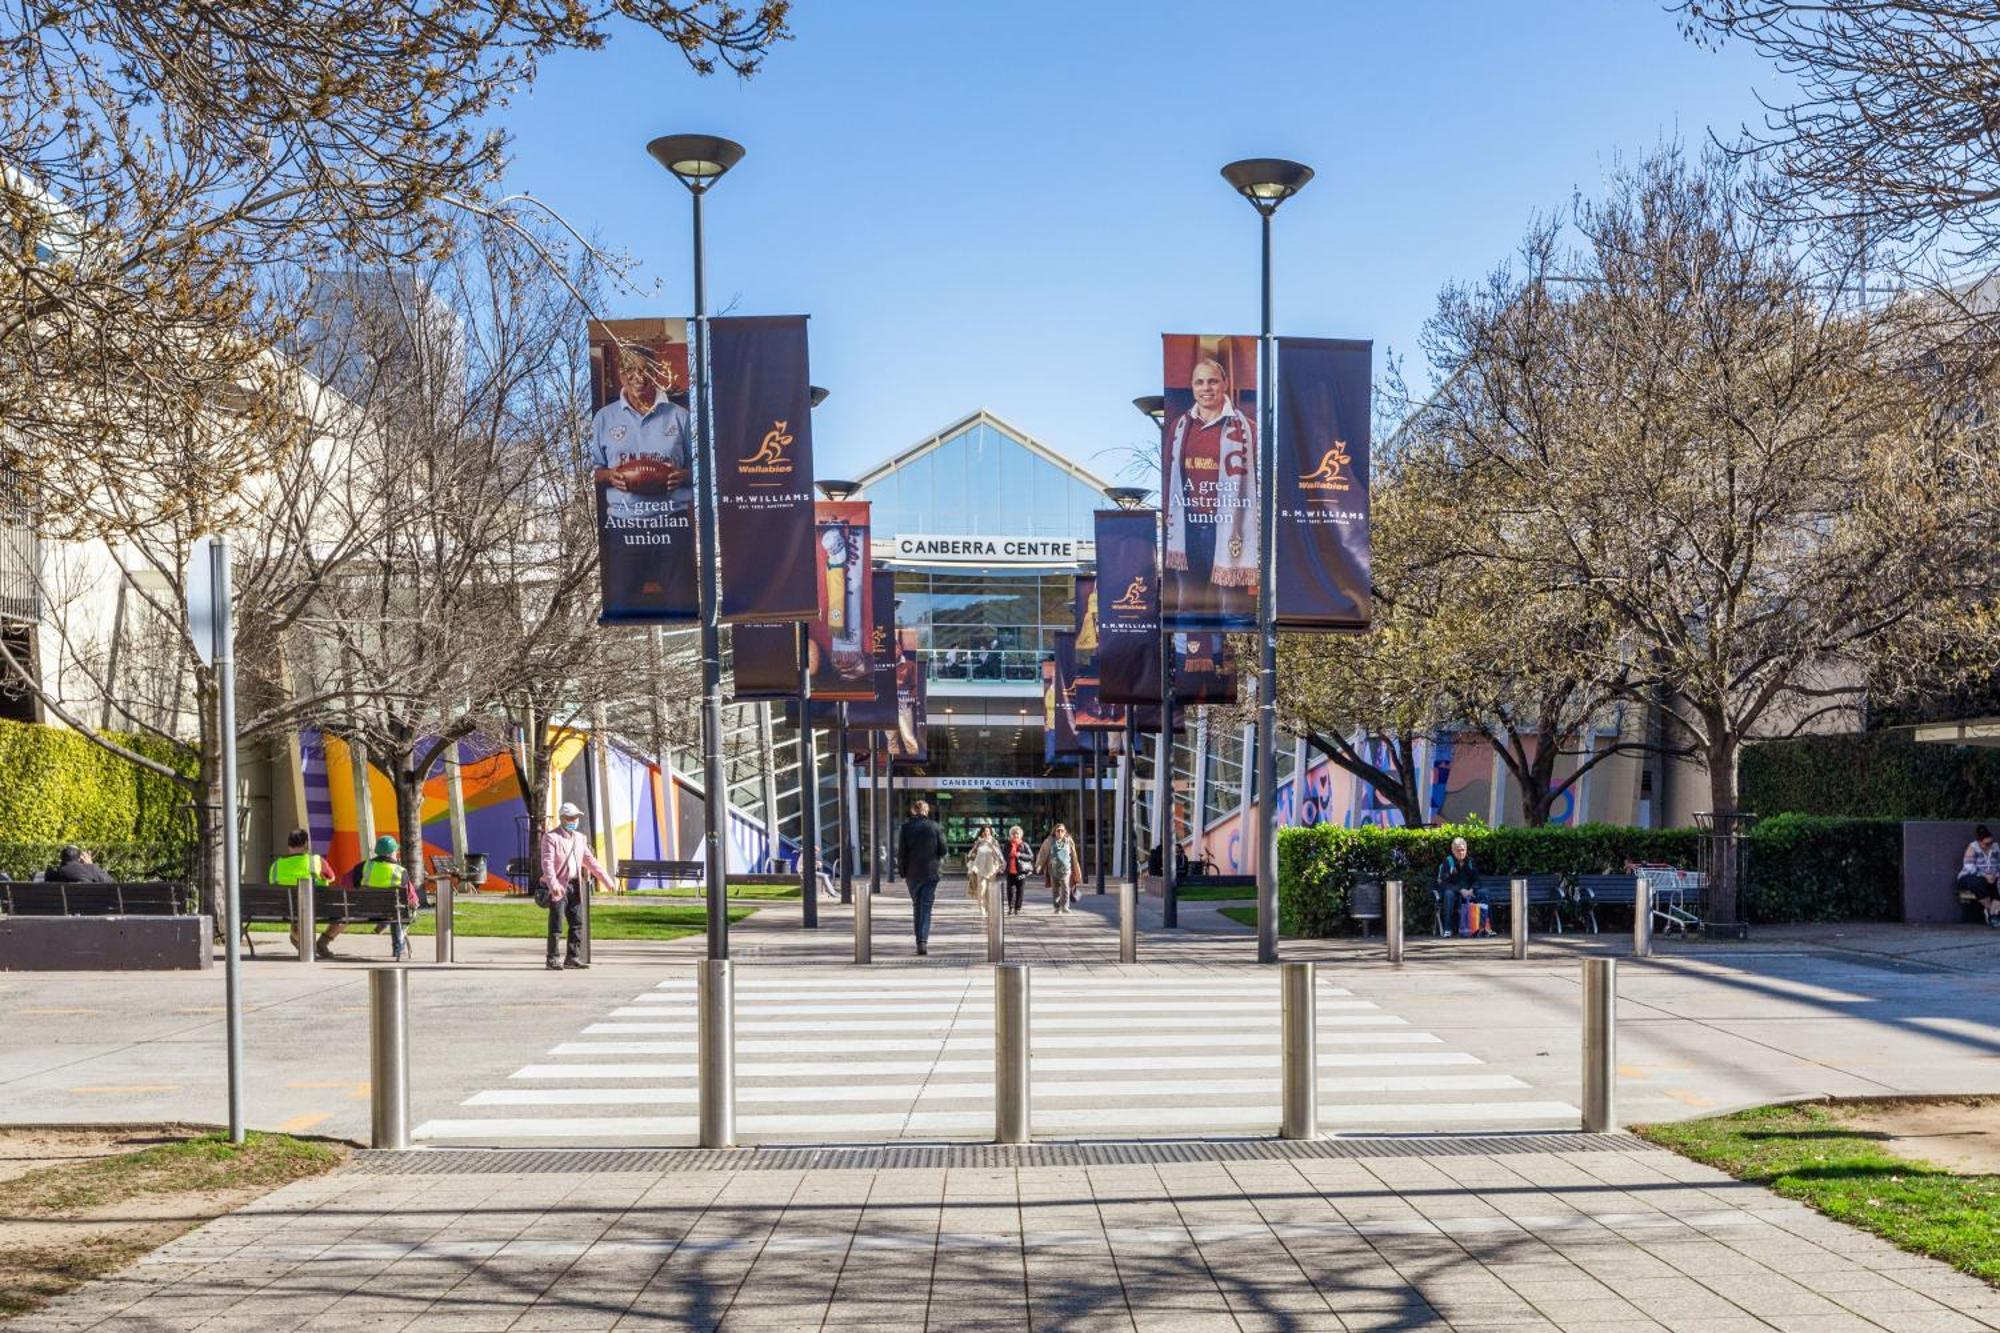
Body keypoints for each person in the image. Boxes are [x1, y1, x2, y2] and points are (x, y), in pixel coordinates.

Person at [590, 341, 693, 614]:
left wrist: (684, 475)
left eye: (644, 370)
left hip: (671, 524)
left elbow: (703, 469)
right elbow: (594, 471)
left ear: (656, 372)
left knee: (683, 607)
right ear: (619, 375)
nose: (637, 377)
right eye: (629, 370)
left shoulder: (680, 416)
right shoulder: (603, 418)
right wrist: (610, 475)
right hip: (625, 527)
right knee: (620, 607)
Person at [1163, 354, 1259, 622]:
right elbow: (1169, 477)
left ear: (1225, 384)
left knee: (1232, 611)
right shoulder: (1179, 428)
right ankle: (1191, 657)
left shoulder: (1248, 429)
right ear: (1192, 387)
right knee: (1189, 606)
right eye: (1200, 382)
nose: (1206, 388)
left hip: (1228, 527)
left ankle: (1227, 660)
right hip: (1189, 526)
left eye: (1213, 381)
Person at [539, 801, 615, 971]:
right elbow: (547, 864)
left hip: (575, 885)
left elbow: (590, 862)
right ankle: (552, 959)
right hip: (559, 886)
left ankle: (572, 957)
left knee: (577, 922)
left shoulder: (580, 838)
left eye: (576, 817)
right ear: (562, 818)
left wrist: (606, 880)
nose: (574, 820)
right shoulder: (551, 837)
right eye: (570, 817)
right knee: (556, 923)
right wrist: (553, 884)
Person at [268, 827, 336, 960]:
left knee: (296, 911)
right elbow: (331, 877)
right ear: (306, 844)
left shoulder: (276, 865)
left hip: (283, 908)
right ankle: (317, 943)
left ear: (288, 845)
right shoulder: (316, 860)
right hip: (315, 906)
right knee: (306, 909)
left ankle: (298, 937)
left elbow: (272, 883)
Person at [354, 835, 420, 962]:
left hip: (365, 911)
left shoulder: (363, 866)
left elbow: (355, 885)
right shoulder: (400, 871)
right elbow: (407, 896)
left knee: (394, 910)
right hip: (392, 911)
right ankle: (398, 947)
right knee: (398, 910)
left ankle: (384, 922)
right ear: (392, 853)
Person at [897, 799, 947, 955]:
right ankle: (922, 942)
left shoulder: (905, 828)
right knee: (925, 907)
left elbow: (901, 853)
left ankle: (919, 940)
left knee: (916, 906)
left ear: (913, 811)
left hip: (912, 873)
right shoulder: (935, 827)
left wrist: (902, 872)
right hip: (930, 873)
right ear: (926, 811)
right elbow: (943, 850)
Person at [1436, 836, 1491, 938]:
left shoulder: (1470, 861)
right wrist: (1460, 890)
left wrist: (1471, 889)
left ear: (1466, 850)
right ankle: (1448, 929)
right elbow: (1445, 882)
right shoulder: (1448, 862)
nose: (1461, 852)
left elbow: (1477, 879)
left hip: (1469, 892)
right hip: (1454, 892)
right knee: (1448, 894)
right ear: (1453, 850)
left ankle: (1485, 928)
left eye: (1463, 850)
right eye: (1458, 850)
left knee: (1484, 892)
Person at [1959, 824, 2000, 927]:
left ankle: (1993, 915)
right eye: (1986, 844)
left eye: (1991, 842)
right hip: (1971, 877)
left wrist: (1995, 875)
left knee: (1997, 884)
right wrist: (1985, 875)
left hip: (1993, 877)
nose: (1989, 845)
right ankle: (1992, 912)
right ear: (1979, 842)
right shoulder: (1972, 848)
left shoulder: (1996, 847)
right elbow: (1969, 867)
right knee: (1980, 883)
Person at [1035, 823, 1081, 913]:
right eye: (1058, 830)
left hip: (1066, 869)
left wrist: (1076, 868)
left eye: (1062, 830)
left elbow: (1074, 855)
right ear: (1054, 832)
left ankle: (1065, 906)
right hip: (1053, 869)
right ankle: (1057, 907)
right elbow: (1043, 853)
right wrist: (1039, 865)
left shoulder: (1069, 841)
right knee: (1055, 889)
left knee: (1065, 888)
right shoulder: (1049, 841)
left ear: (1065, 832)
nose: (1060, 832)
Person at [966, 826, 1002, 917]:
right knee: (981, 889)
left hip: (991, 869)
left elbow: (999, 855)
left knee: (990, 891)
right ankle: (982, 909)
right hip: (980, 868)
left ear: (990, 832)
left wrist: (992, 846)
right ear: (982, 833)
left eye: (988, 831)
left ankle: (989, 908)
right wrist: (975, 849)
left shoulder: (994, 842)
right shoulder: (978, 842)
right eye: (984, 831)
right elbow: (971, 854)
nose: (986, 833)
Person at [1002, 825, 1032, 915]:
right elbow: (1003, 855)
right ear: (1011, 835)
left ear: (1021, 835)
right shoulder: (1007, 845)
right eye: (1014, 834)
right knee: (1010, 891)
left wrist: (1020, 855)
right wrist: (1009, 855)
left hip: (1021, 872)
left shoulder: (1024, 845)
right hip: (1010, 872)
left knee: (1020, 890)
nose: (1016, 835)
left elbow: (1031, 856)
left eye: (1017, 834)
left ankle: (1017, 908)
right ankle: (1010, 907)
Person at [46, 845, 111, 884]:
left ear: (62, 858)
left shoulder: (55, 873)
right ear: (79, 858)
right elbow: (109, 882)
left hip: (64, 906)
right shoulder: (91, 869)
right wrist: (90, 864)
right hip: (90, 905)